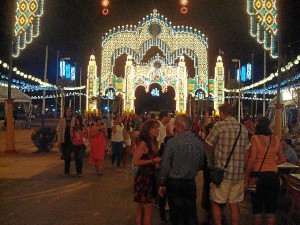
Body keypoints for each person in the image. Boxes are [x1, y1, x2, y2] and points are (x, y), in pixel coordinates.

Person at [205, 103, 249, 225]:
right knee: (234, 204)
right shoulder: (243, 129)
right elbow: (246, 152)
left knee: (216, 202)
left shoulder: (219, 126)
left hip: (222, 173)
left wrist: (216, 152)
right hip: (238, 174)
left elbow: (208, 144)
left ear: (222, 113)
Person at [159, 114, 204, 225]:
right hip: (190, 181)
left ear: (180, 126)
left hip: (174, 182)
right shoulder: (198, 143)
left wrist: (161, 182)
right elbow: (200, 163)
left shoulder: (172, 142)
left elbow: (165, 165)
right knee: (191, 211)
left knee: (176, 213)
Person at [245, 117, 286, 225]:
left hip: (257, 176)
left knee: (257, 209)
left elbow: (253, 159)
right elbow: (283, 159)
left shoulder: (255, 139)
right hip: (273, 176)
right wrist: (272, 163)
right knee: (271, 209)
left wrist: (246, 175)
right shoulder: (276, 139)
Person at [133, 119, 161, 225]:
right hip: (144, 179)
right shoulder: (144, 143)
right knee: (148, 209)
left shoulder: (153, 142)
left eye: (157, 127)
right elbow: (136, 161)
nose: (157, 130)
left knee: (141, 208)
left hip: (151, 177)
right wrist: (153, 160)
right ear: (148, 130)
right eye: (154, 128)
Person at [57, 107, 75, 175]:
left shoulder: (73, 120)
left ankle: (67, 169)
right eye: (67, 111)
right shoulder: (62, 120)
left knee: (68, 155)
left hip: (71, 140)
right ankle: (67, 165)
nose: (68, 113)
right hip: (63, 140)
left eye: (69, 111)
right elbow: (59, 131)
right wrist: (59, 140)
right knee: (65, 155)